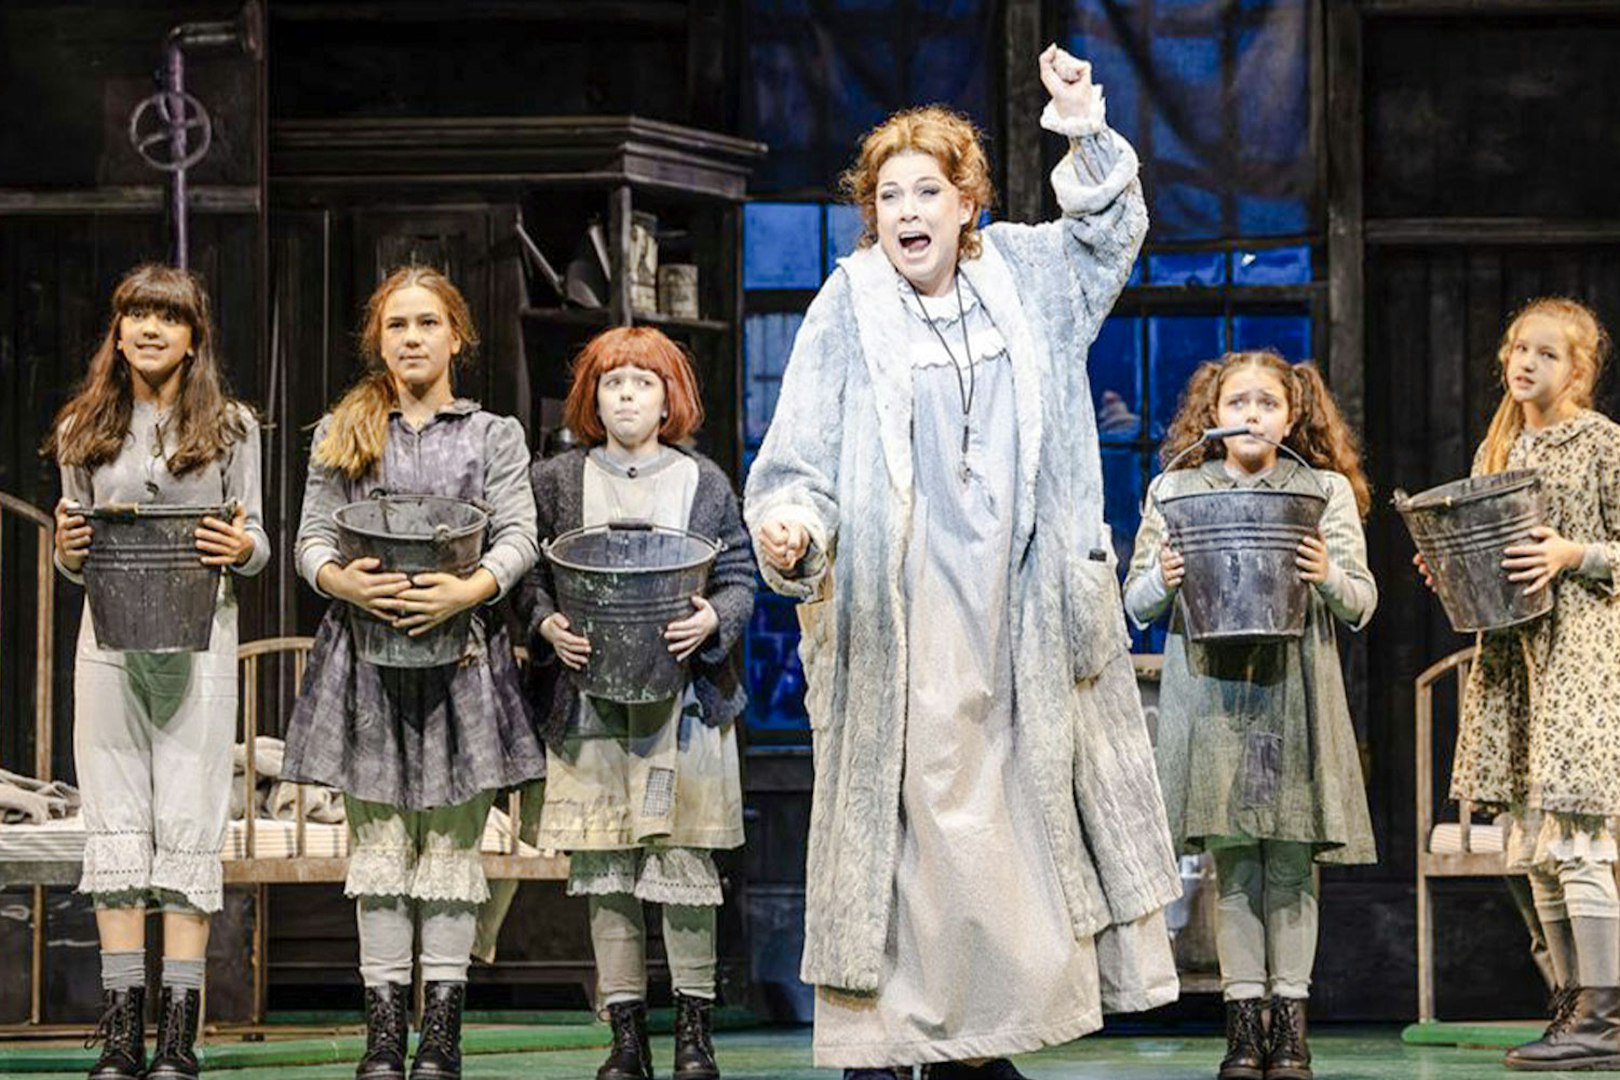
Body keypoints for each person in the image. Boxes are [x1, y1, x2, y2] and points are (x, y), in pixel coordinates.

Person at [744, 44, 1181, 1079]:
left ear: (967, 200)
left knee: (1013, 825)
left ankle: (982, 1040)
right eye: (887, 193)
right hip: (903, 615)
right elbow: (796, 460)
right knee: (910, 827)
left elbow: (1113, 231)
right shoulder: (849, 306)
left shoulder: (1029, 275)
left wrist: (1081, 121)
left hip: (1019, 607)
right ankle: (890, 1042)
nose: (906, 208)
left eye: (926, 189)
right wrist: (791, 528)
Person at [281, 265, 545, 1080]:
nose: (412, 338)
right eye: (398, 326)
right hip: (364, 661)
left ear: (456, 335)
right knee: (383, 850)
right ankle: (385, 1033)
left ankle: (441, 1032)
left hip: (464, 661)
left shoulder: (492, 434)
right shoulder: (347, 427)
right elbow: (311, 541)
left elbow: (519, 535)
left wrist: (468, 589)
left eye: (428, 323)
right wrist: (342, 579)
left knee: (451, 852)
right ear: (380, 340)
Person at [1125, 350, 1377, 1080]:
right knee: (1234, 862)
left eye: (1267, 403)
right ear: (1213, 415)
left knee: (1292, 862)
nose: (1251, 415)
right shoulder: (1177, 489)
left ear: (1291, 416)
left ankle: (1290, 1027)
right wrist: (1161, 580)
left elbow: (1362, 603)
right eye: (1237, 402)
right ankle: (1243, 1027)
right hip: (1212, 691)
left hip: (1294, 689)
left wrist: (1327, 574)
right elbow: (1132, 602)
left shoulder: (1320, 490)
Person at [47, 263, 269, 1080]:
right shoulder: (83, 426)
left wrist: (243, 548)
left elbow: (258, 544)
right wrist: (66, 554)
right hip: (107, 645)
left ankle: (178, 1034)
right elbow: (72, 547)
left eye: (167, 318)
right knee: (115, 820)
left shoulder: (233, 428)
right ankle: (120, 1031)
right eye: (135, 314)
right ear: (118, 330)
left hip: (198, 643)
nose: (149, 329)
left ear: (193, 335)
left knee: (186, 819)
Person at [517, 326, 755, 1080]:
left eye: (642, 383)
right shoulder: (555, 480)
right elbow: (526, 571)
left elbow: (741, 574)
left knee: (684, 863)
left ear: (668, 399)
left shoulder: (704, 482)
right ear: (591, 397)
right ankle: (624, 1035)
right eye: (612, 382)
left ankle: (693, 1032)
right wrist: (545, 622)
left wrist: (714, 618)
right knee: (609, 868)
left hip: (682, 706)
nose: (626, 395)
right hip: (589, 706)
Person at [1427, 298, 1620, 1072]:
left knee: (1578, 843)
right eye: (1516, 347)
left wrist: (1576, 555)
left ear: (1579, 369)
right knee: (1535, 848)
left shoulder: (1602, 443)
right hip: (1515, 664)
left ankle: (1604, 1017)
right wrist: (1450, 565)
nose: (1525, 362)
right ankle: (1570, 1007)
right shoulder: (1497, 446)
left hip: (1582, 656)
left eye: (1545, 352)